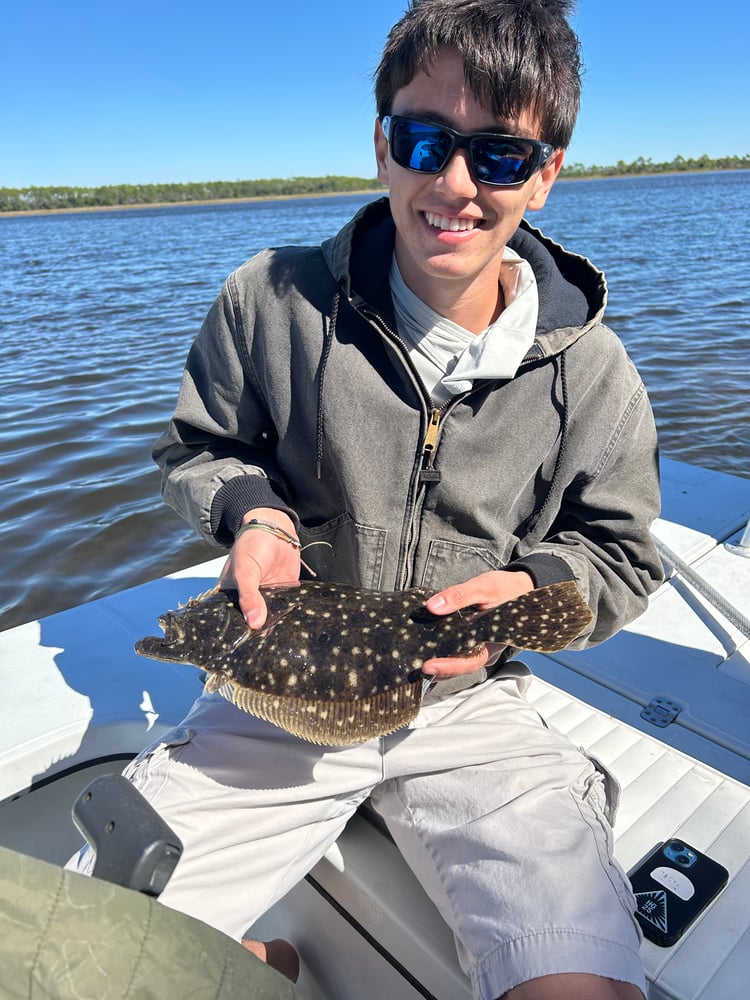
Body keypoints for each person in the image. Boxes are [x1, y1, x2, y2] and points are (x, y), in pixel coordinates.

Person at [73, 1, 663, 996]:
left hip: (471, 702)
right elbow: (200, 448)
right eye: (424, 140)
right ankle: (257, 964)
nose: (455, 185)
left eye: (500, 157)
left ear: (548, 174)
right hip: (283, 691)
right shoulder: (269, 302)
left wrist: (523, 596)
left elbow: (621, 556)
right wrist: (253, 513)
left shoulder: (594, 375)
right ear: (383, 145)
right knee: (87, 953)